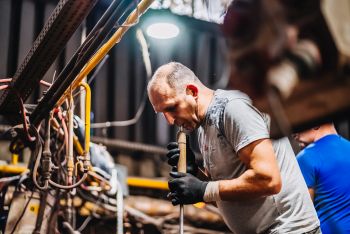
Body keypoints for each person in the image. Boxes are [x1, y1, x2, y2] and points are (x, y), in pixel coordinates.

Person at [147, 62, 320, 234]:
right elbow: (226, 195)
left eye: (171, 108)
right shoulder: (204, 126)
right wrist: (196, 176)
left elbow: (269, 180)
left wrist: (202, 190)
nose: (169, 120)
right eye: (162, 113)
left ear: (192, 91)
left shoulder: (234, 109)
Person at [294, 123, 350, 234]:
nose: (293, 134)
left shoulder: (306, 157)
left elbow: (302, 216)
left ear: (315, 124)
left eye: (296, 125)